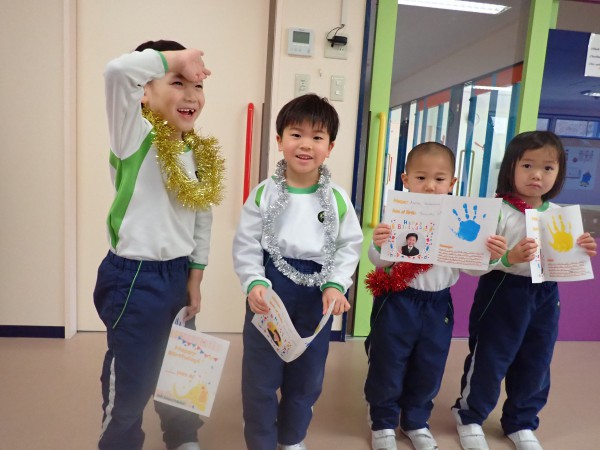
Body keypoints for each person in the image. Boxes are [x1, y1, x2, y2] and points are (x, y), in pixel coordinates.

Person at [93, 40, 224, 450]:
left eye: (197, 85)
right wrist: (176, 58)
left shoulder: (196, 150)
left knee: (182, 364)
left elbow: (202, 218)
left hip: (178, 274)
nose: (191, 95)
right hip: (135, 279)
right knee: (133, 375)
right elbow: (117, 72)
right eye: (177, 82)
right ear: (144, 93)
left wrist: (195, 278)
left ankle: (182, 435)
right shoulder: (133, 135)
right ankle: (120, 440)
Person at [232, 94, 363, 450]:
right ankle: (260, 440)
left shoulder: (336, 198)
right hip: (271, 291)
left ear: (329, 147)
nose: (305, 144)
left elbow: (348, 245)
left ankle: (291, 438)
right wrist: (254, 281)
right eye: (296, 134)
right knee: (259, 377)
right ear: (279, 140)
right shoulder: (264, 193)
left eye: (317, 137)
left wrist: (336, 285)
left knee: (306, 377)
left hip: (317, 295)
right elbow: (246, 243)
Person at [451, 131, 597, 450]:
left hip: (545, 295)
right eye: (528, 165)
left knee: (537, 359)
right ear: (511, 168)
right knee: (490, 356)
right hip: (503, 291)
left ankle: (521, 421)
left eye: (548, 168)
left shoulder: (559, 215)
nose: (537, 175)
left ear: (559, 173)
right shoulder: (496, 211)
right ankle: (470, 416)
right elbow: (472, 264)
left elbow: (563, 258)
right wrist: (507, 258)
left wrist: (580, 249)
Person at [364, 142, 507, 450]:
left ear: (452, 183)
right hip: (398, 299)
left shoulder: (460, 219)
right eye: (421, 177)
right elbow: (380, 260)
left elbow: (472, 270)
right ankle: (383, 421)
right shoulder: (397, 212)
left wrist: (490, 256)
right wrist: (378, 244)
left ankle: (415, 421)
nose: (430, 186)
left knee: (429, 366)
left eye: (439, 179)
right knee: (388, 362)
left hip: (437, 305)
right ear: (405, 179)